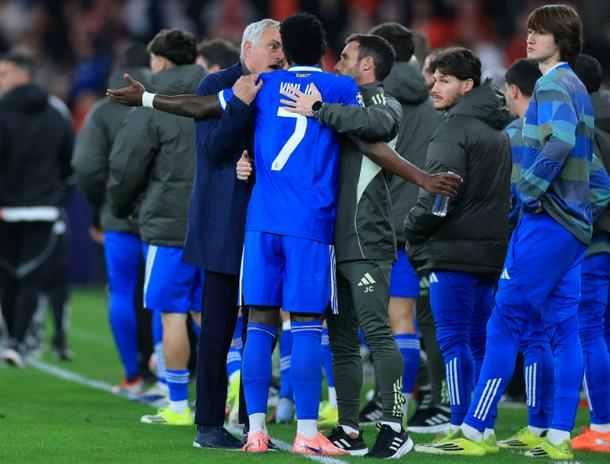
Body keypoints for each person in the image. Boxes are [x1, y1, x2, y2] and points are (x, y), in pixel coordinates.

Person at [428, 5, 595, 460]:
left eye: (540, 31)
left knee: (504, 323)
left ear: (561, 38)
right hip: (573, 228)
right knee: (564, 329)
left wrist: (529, 188)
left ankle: (475, 429)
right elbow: (593, 170)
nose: (530, 37)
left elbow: (559, 142)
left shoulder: (552, 84)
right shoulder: (577, 87)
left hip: (547, 223)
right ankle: (557, 437)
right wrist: (581, 210)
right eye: (529, 30)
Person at [404, 47, 511, 451]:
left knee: (452, 339)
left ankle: (460, 422)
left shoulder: (453, 129)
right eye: (435, 79)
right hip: (489, 251)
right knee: (479, 339)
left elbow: (440, 197)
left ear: (467, 85)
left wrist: (411, 227)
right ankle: (482, 426)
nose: (434, 87)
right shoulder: (497, 129)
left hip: (452, 250)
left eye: (444, 81)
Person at [107, 28, 207, 426]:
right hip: (216, 226)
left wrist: (123, 207)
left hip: (169, 226)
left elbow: (127, 166)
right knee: (212, 314)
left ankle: (178, 405)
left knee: (172, 313)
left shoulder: (150, 104)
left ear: (160, 62)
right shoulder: (217, 96)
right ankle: (233, 400)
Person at [368, 22, 446, 429]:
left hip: (376, 224)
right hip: (419, 225)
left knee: (372, 320)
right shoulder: (435, 101)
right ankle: (399, 407)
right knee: (406, 320)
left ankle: (384, 403)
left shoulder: (374, 98)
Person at [73, 43, 153, 396]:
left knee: (120, 291)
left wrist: (101, 206)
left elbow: (86, 167)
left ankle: (132, 374)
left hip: (117, 219)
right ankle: (171, 375)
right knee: (167, 296)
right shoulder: (170, 102)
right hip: (161, 218)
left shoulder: (103, 110)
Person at [0, 52, 74, 367]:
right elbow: (68, 161)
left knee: (7, 277)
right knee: (30, 279)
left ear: (23, 75)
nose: (0, 79)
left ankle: (14, 339)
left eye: (4, 73)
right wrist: (57, 195)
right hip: (44, 209)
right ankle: (19, 341)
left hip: (6, 209)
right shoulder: (56, 111)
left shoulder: (2, 109)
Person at [571, 53, 610, 453]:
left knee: (590, 331)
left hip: (594, 242)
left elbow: (597, 191)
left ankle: (602, 426)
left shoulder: (582, 126)